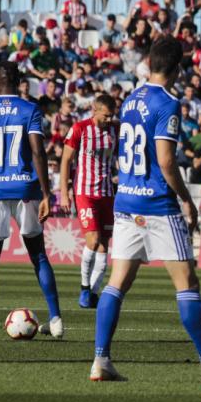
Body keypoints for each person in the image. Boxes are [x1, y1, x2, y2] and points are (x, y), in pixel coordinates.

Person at [89, 36, 201, 382]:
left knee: (117, 281)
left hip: (126, 202)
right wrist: (186, 199)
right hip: (157, 205)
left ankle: (101, 360)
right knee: (187, 282)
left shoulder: (131, 99)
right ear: (178, 69)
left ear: (149, 64)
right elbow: (165, 161)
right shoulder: (168, 103)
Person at [0, 61, 63, 342]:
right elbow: (37, 152)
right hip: (26, 188)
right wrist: (47, 193)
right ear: (18, 80)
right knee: (38, 255)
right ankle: (56, 320)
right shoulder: (30, 109)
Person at [60, 95, 118, 309]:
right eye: (106, 115)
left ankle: (93, 293)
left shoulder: (115, 129)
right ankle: (84, 287)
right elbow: (66, 159)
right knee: (92, 240)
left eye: (112, 116)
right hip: (84, 192)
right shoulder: (79, 128)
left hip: (107, 193)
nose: (109, 120)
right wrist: (65, 192)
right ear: (95, 109)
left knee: (103, 246)